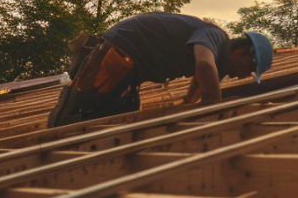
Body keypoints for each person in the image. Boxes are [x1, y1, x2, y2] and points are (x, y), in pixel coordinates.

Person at [47, 12, 273, 128]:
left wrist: (188, 103)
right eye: (250, 70)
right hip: (118, 52)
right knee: (78, 115)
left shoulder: (218, 58)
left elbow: (201, 74)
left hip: (129, 65)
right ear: (241, 52)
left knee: (118, 119)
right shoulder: (215, 36)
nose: (244, 76)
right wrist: (213, 111)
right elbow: (203, 65)